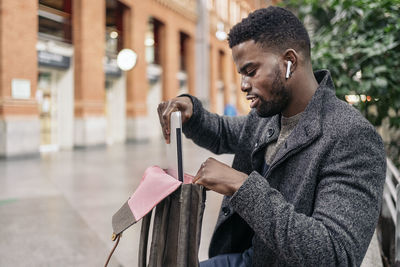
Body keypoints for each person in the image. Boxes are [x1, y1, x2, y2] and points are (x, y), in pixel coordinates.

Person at [157, 6, 386, 267]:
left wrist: (242, 187)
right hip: (252, 257)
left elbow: (334, 255)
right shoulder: (267, 116)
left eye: (251, 71)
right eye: (241, 74)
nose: (243, 84)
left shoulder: (352, 137)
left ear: (289, 62)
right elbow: (222, 132)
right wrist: (191, 111)